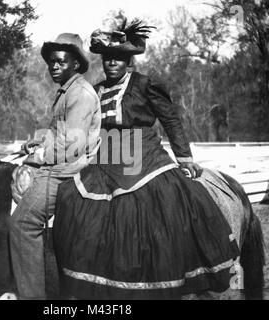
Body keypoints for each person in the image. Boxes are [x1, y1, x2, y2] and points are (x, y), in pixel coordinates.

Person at [53, 20, 240, 300]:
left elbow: (171, 120)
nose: (112, 63)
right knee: (76, 202)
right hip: (106, 155)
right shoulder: (97, 89)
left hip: (144, 153)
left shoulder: (145, 84)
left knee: (163, 201)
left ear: (129, 60)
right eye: (107, 58)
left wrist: (184, 157)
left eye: (119, 58)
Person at [9, 33, 101, 300]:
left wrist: (35, 157)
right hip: (58, 167)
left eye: (61, 62)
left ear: (75, 64)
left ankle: (32, 297)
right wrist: (34, 142)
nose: (54, 66)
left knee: (22, 224)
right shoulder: (67, 91)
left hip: (67, 172)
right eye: (51, 62)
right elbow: (55, 132)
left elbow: (70, 144)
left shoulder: (80, 94)